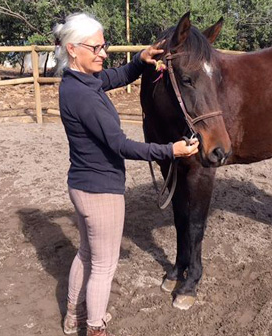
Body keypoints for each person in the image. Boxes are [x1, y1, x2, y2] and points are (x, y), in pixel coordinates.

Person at [53, 13, 199, 336]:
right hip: (101, 192)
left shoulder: (76, 81)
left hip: (81, 184)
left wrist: (141, 60)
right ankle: (94, 328)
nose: (103, 53)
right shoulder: (84, 98)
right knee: (103, 267)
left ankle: (72, 318)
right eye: (97, 47)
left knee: (86, 254)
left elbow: (116, 77)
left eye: (104, 45)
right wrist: (170, 151)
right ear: (74, 49)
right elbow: (121, 145)